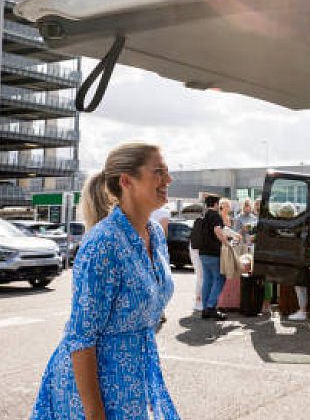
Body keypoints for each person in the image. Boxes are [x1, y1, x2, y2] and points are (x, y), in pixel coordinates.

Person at [30, 141, 180, 420]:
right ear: (127, 181)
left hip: (139, 379)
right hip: (95, 392)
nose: (168, 179)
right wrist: (95, 414)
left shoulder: (155, 235)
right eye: (159, 171)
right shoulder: (102, 244)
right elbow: (81, 337)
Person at [197, 195, 232, 320]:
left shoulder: (204, 216)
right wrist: (226, 242)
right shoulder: (215, 215)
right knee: (220, 278)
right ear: (216, 204)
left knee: (207, 280)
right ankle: (211, 307)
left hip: (203, 253)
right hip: (213, 253)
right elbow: (217, 230)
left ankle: (205, 308)